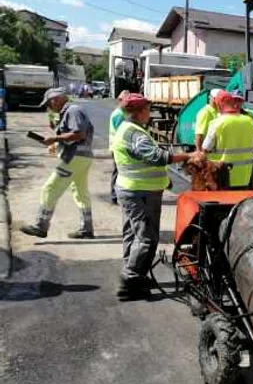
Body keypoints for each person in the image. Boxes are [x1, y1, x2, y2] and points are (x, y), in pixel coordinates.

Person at [112, 94, 200, 299]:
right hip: (141, 192)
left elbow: (142, 160)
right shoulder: (135, 133)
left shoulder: (126, 129)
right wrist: (188, 156)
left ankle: (136, 275)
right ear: (140, 111)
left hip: (133, 189)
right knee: (146, 238)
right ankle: (129, 281)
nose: (149, 114)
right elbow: (157, 157)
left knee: (133, 235)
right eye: (148, 110)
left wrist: (165, 181)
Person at [21, 88, 95, 239]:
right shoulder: (70, 111)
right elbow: (75, 135)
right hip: (82, 158)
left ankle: (41, 226)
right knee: (80, 192)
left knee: (49, 188)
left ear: (56, 99)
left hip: (74, 157)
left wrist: (54, 139)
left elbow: (79, 134)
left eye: (49, 103)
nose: (49, 107)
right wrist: (56, 141)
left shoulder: (73, 110)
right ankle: (86, 229)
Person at [203, 92, 253, 190]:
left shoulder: (217, 123)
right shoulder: (250, 121)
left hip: (222, 176)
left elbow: (205, 149)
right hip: (244, 177)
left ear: (219, 105)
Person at [109, 90, 130, 204]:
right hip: (118, 148)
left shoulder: (122, 113)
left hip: (118, 147)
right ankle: (114, 195)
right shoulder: (119, 114)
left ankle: (117, 194)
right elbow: (121, 132)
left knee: (120, 172)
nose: (128, 104)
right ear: (120, 100)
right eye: (126, 101)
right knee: (118, 172)